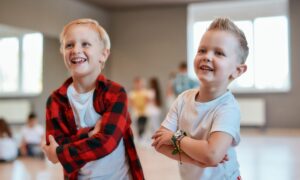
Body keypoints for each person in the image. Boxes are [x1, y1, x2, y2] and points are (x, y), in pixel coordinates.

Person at [42, 18, 144, 180]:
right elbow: (55, 144)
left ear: (103, 54)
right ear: (63, 53)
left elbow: (106, 142)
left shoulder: (116, 93)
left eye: (85, 44)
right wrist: (89, 134)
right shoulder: (55, 100)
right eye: (69, 45)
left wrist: (61, 152)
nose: (76, 50)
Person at [152, 17, 248, 180]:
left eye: (219, 53)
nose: (207, 56)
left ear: (237, 71)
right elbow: (159, 143)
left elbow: (211, 154)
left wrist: (175, 137)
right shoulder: (183, 99)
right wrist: (195, 159)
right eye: (202, 50)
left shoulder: (227, 108)